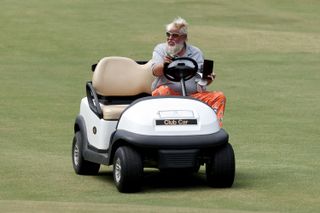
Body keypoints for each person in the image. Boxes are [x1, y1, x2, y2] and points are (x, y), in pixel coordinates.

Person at [150, 17, 226, 127]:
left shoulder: (196, 53)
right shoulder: (161, 49)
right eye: (168, 35)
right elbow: (155, 72)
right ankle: (167, 128)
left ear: (184, 37)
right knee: (162, 91)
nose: (170, 38)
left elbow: (200, 86)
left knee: (219, 96)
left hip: (191, 97)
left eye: (175, 35)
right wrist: (164, 64)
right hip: (168, 94)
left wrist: (207, 80)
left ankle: (212, 129)